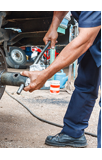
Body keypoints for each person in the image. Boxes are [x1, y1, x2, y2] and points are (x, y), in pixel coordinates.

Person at [21, 11, 101, 148]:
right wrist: (53, 27)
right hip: (95, 32)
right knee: (86, 81)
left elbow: (85, 41)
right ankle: (73, 133)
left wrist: (45, 74)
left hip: (91, 32)